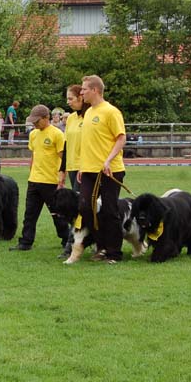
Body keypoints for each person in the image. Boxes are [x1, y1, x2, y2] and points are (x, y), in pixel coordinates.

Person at [66, 75, 126, 264]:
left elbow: (121, 138)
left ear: (95, 90)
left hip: (109, 170)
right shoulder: (89, 113)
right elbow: (88, 143)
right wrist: (83, 166)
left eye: (84, 89)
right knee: (85, 208)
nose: (81, 92)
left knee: (110, 211)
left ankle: (113, 253)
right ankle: (100, 246)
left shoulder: (111, 112)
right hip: (89, 170)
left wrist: (108, 160)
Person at [11, 105, 69, 252]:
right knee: (29, 214)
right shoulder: (33, 134)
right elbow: (34, 155)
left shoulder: (57, 134)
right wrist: (31, 172)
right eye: (33, 121)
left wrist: (62, 178)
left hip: (51, 181)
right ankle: (25, 242)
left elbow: (64, 159)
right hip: (34, 180)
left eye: (37, 121)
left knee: (57, 214)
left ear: (46, 118)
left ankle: (66, 239)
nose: (35, 124)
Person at [61, 84, 90, 192]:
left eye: (70, 98)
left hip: (85, 167)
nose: (68, 102)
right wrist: (62, 170)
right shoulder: (70, 118)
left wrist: (84, 165)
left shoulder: (89, 117)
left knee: (82, 203)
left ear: (80, 97)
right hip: (71, 166)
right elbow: (66, 144)